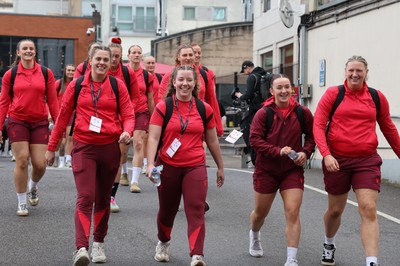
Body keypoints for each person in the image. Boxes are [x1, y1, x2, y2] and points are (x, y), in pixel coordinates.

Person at [45, 45, 135, 266]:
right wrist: (51, 147)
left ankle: (98, 243)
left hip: (109, 148)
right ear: (90, 61)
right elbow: (63, 118)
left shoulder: (117, 85)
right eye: (98, 59)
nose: (103, 63)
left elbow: (128, 113)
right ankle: (81, 247)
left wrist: (127, 131)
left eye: (106, 59)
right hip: (84, 147)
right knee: (85, 197)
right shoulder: (76, 86)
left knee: (103, 199)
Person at [313, 56, 400, 266]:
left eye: (359, 71)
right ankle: (329, 243)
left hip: (366, 160)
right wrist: (326, 154)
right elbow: (318, 125)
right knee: (335, 211)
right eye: (351, 70)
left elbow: (388, 127)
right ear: (345, 72)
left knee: (368, 208)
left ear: (366, 72)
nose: (355, 74)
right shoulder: (333, 94)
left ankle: (371, 261)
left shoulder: (376, 97)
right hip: (337, 160)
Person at [146, 65, 224, 266]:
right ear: (174, 82)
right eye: (181, 79)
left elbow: (213, 140)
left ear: (195, 83)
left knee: (196, 209)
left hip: (195, 165)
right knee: (167, 210)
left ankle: (197, 254)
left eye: (189, 80)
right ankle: (163, 242)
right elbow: (153, 138)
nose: (185, 84)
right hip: (168, 165)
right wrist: (149, 164)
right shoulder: (164, 107)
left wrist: (220, 167)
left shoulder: (203, 108)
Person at [248, 74, 315, 266]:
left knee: (292, 211)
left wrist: (305, 152)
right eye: (279, 87)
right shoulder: (264, 113)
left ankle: (291, 259)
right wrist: (278, 151)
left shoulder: (302, 112)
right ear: (272, 91)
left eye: (287, 87)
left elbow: (312, 137)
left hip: (291, 171)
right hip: (266, 170)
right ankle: (254, 233)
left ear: (292, 89)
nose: (284, 91)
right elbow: (255, 140)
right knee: (260, 213)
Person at [0, 39, 59, 216]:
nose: (28, 51)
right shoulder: (10, 75)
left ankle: (32, 186)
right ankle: (22, 202)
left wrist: (58, 125)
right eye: (24, 48)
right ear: (18, 53)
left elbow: (53, 101)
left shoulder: (45, 73)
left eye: (31, 48)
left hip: (40, 121)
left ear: (35, 52)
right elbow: (3, 102)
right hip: (18, 120)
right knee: (22, 159)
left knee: (40, 164)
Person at [157, 44, 224, 137]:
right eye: (184, 55)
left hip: (199, 120)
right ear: (178, 57)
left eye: (190, 55)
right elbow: (161, 100)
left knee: (199, 149)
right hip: (175, 122)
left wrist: (219, 127)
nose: (188, 58)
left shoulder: (204, 75)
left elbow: (212, 101)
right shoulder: (169, 75)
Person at [107, 38, 139, 212]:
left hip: (121, 122)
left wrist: (127, 113)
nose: (113, 60)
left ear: (121, 57)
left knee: (117, 159)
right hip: (102, 121)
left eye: (116, 57)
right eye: (111, 56)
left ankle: (111, 197)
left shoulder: (128, 74)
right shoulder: (101, 70)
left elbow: (135, 97)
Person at [124, 44, 155, 193]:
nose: (136, 55)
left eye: (139, 53)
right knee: (122, 147)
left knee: (138, 143)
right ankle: (123, 172)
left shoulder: (147, 75)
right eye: (134, 52)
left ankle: (134, 181)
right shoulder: (122, 72)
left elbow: (150, 98)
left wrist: (153, 118)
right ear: (128, 55)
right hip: (123, 112)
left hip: (141, 111)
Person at [235, 60, 267, 165]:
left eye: (244, 70)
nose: (245, 72)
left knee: (248, 128)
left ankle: (254, 156)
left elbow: (248, 95)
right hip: (265, 107)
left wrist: (239, 96)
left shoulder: (252, 77)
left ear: (247, 67)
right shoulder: (263, 74)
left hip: (255, 109)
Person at [53, 64, 76, 168]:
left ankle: (68, 159)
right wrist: (50, 114)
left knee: (70, 138)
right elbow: (50, 99)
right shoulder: (58, 84)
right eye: (69, 70)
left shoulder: (76, 84)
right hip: (60, 115)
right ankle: (59, 158)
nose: (71, 72)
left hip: (72, 114)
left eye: (72, 70)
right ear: (65, 71)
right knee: (60, 141)